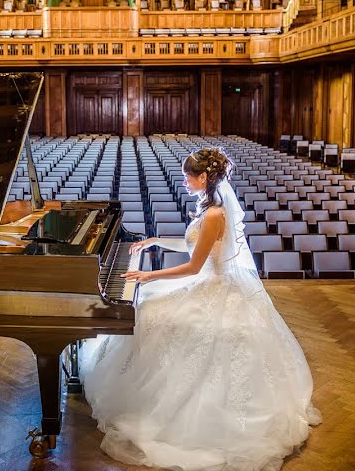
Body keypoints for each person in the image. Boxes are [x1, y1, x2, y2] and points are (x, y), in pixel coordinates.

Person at [80, 147, 321, 471]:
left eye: (188, 175)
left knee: (149, 309)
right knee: (148, 305)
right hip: (210, 283)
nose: (184, 180)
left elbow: (194, 267)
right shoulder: (211, 208)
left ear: (204, 177)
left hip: (214, 288)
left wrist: (149, 274)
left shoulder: (213, 214)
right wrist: (155, 241)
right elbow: (197, 246)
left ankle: (156, 405)